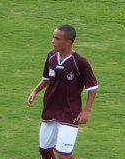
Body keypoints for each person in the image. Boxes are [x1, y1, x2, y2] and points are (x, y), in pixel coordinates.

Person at [26, 24, 97, 159]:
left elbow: (92, 88)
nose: (53, 41)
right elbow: (47, 79)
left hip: (70, 113)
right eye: (53, 37)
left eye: (57, 39)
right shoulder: (51, 56)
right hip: (50, 110)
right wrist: (34, 92)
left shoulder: (80, 62)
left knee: (64, 155)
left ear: (68, 42)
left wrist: (87, 111)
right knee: (45, 151)